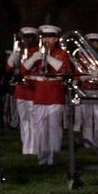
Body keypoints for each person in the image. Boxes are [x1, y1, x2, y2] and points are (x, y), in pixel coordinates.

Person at [22, 24, 72, 165]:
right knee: (41, 129)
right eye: (44, 36)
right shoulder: (34, 52)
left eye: (49, 37)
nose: (46, 40)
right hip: (40, 96)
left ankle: (53, 158)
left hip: (55, 96)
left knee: (54, 129)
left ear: (55, 39)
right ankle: (43, 159)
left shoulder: (62, 54)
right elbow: (23, 70)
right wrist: (33, 59)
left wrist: (48, 58)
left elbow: (64, 70)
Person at [73, 32, 98, 148]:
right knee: (87, 119)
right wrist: (89, 76)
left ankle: (97, 143)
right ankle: (88, 143)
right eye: (91, 42)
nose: (94, 44)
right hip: (87, 90)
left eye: (96, 42)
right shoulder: (81, 58)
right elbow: (76, 76)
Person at [7, 26, 39, 154]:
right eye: (24, 38)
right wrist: (11, 60)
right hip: (20, 90)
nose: (26, 40)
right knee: (24, 120)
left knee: (34, 120)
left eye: (29, 38)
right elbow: (9, 69)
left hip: (32, 90)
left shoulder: (37, 52)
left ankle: (34, 147)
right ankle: (26, 147)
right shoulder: (18, 52)